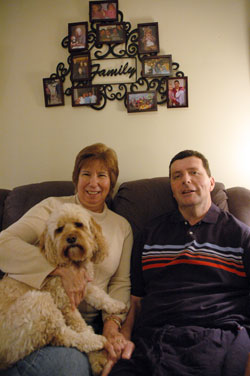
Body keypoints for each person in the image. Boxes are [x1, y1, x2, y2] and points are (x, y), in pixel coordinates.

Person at [106, 150, 250, 376]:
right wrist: (122, 337)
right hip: (155, 338)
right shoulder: (149, 234)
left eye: (194, 173)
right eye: (177, 176)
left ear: (211, 183)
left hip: (219, 335)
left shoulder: (240, 235)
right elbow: (136, 301)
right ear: (172, 189)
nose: (186, 180)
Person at [0, 143, 133, 376]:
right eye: (86, 174)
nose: (93, 183)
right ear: (75, 179)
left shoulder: (122, 226)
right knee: (69, 366)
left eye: (101, 175)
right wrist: (60, 269)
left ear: (111, 182)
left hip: (87, 324)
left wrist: (112, 325)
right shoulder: (52, 207)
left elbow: (120, 283)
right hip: (33, 317)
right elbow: (3, 244)